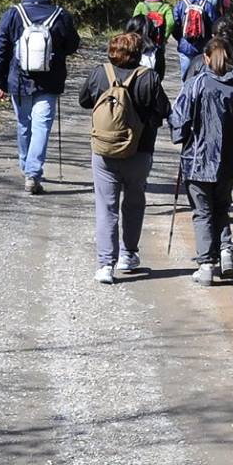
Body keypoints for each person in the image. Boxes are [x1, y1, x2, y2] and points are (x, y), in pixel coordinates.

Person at [167, 37, 233, 286]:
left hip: (197, 160)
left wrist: (182, 137)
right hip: (228, 163)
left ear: (207, 58)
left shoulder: (196, 84)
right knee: (221, 207)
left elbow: (179, 118)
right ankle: (225, 251)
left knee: (202, 213)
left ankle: (207, 264)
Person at [77, 31, 170, 284]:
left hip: (104, 151)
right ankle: (129, 254)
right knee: (134, 202)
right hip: (139, 151)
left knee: (106, 207)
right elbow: (164, 109)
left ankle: (106, 265)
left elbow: (84, 100)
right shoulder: (148, 77)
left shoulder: (99, 73)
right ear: (139, 53)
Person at [0, 0, 80, 195]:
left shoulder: (13, 14)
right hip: (49, 83)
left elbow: (0, 50)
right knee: (42, 128)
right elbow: (73, 45)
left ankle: (26, 166)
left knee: (24, 125)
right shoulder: (60, 15)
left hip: (18, 82)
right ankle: (32, 174)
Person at [172, 0, 218, 81]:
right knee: (202, 77)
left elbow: (175, 25)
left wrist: (180, 38)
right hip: (203, 47)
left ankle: (186, 95)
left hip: (185, 47)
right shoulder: (207, 5)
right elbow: (214, 25)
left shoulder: (181, 4)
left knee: (186, 78)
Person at [131, 0, 177, 74]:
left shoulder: (141, 6)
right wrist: (165, 36)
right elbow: (171, 23)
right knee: (158, 64)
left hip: (142, 40)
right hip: (158, 41)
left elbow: (134, 21)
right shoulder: (166, 7)